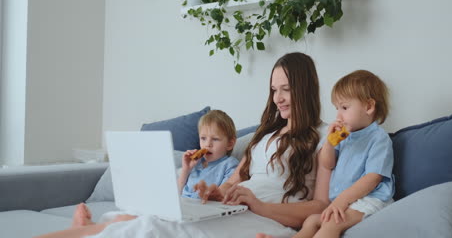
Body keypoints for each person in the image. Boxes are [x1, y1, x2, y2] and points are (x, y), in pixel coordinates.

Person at [34, 52, 330, 238]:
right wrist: (214, 192)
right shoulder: (264, 136)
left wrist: (259, 205)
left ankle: (83, 233)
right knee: (149, 220)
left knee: (151, 229)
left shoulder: (325, 136)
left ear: (304, 88)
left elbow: (320, 205)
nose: (277, 98)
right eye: (274, 90)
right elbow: (231, 184)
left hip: (266, 218)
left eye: (286, 90)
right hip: (235, 211)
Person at [287, 69, 395, 238]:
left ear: (368, 106)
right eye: (337, 108)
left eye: (344, 107)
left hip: (370, 200)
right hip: (345, 202)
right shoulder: (344, 137)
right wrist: (329, 143)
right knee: (311, 221)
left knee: (331, 224)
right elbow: (327, 164)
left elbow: (372, 179)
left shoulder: (379, 139)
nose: (338, 115)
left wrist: (341, 201)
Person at [178, 109, 239, 199]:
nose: (207, 144)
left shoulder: (229, 164)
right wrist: (186, 170)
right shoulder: (196, 163)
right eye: (203, 138)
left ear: (229, 144)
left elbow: (224, 194)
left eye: (215, 139)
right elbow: (176, 194)